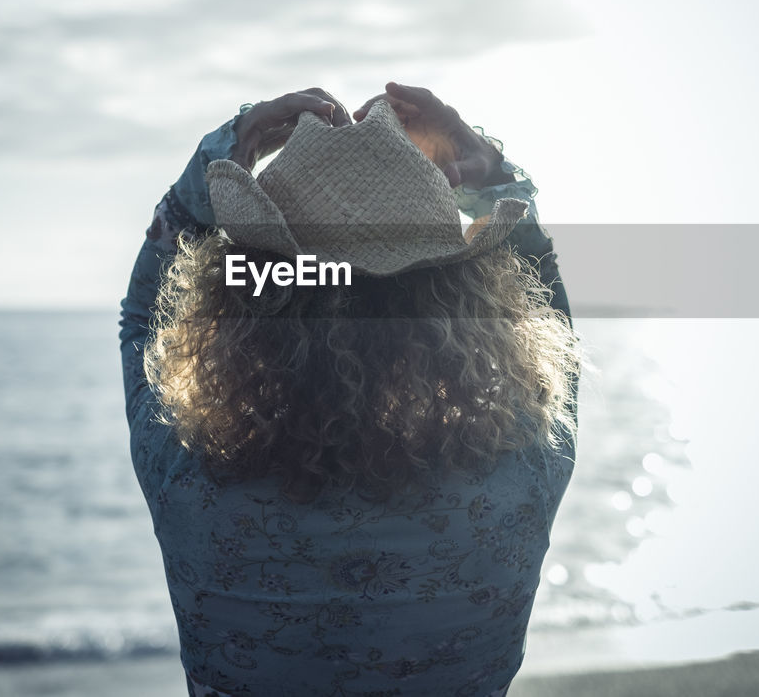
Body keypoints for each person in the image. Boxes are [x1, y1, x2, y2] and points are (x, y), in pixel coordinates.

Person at [119, 83, 579, 696]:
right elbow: (554, 330)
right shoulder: (523, 470)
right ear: (463, 304)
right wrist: (486, 170)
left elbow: (141, 320)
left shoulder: (189, 481)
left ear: (234, 303)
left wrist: (220, 155)